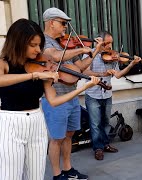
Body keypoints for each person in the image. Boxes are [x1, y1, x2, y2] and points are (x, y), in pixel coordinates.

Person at [0, 18, 99, 180]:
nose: (38, 50)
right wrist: (34, 75)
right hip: (10, 124)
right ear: (18, 42)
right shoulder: (1, 64)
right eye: (32, 45)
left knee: (36, 176)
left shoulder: (42, 67)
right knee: (10, 176)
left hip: (36, 122)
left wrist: (83, 88)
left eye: (39, 45)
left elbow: (54, 101)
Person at [41, 7, 102, 180]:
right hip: (55, 98)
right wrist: (81, 50)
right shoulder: (44, 42)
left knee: (69, 135)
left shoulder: (65, 43)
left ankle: (68, 169)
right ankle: (56, 174)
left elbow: (81, 67)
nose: (66, 27)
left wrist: (95, 50)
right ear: (51, 22)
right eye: (63, 23)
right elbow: (54, 56)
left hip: (72, 95)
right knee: (56, 138)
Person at [82, 31, 142, 160]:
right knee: (95, 124)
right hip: (93, 94)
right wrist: (102, 74)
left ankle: (105, 144)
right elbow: (84, 71)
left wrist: (131, 64)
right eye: (107, 43)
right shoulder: (90, 54)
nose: (110, 46)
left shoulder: (113, 56)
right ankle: (98, 148)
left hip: (107, 94)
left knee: (106, 122)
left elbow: (118, 75)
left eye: (111, 43)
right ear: (100, 41)